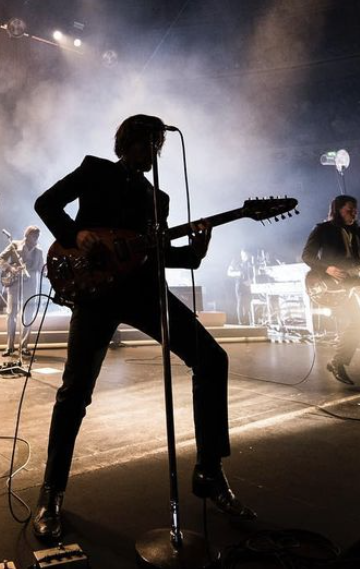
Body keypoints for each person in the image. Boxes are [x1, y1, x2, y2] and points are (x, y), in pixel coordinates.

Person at [30, 114, 253, 543]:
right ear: (129, 141)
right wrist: (77, 236)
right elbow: (46, 204)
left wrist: (198, 251)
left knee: (212, 358)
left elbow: (161, 256)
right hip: (95, 295)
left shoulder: (160, 199)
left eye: (159, 145)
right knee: (75, 392)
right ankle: (51, 492)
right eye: (149, 142)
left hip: (144, 292)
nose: (155, 152)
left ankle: (209, 469)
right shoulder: (94, 170)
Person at [302, 195, 360, 392]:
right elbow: (307, 256)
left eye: (355, 210)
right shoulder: (323, 229)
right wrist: (327, 268)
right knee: (359, 322)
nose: (353, 213)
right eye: (349, 210)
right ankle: (339, 362)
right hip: (337, 284)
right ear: (337, 210)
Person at [0, 225, 45, 357]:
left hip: (30, 285)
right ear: (26, 235)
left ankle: (24, 346)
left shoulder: (39, 251)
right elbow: (0, 258)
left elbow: (42, 268)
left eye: (37, 236)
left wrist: (49, 273)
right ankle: (9, 346)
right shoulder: (14, 245)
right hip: (14, 284)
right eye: (33, 236)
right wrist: (10, 268)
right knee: (11, 314)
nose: (35, 238)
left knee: (28, 315)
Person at [226, 248, 257, 325]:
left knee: (248, 302)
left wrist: (251, 281)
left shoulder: (250, 262)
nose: (246, 256)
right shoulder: (235, 261)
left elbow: (254, 272)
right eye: (245, 254)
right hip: (239, 284)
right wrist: (238, 273)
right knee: (240, 303)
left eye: (247, 255)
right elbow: (229, 273)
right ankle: (241, 321)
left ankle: (249, 320)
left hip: (249, 285)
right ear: (242, 253)